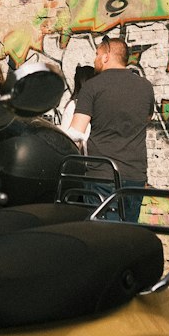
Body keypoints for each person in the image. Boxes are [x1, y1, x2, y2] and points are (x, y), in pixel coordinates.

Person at [68, 36, 154, 217]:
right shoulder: (145, 87)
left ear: (106, 56)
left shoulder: (92, 87)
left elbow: (76, 133)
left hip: (103, 174)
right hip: (135, 175)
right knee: (129, 236)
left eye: (97, 54)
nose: (95, 59)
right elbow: (147, 117)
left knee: (103, 237)